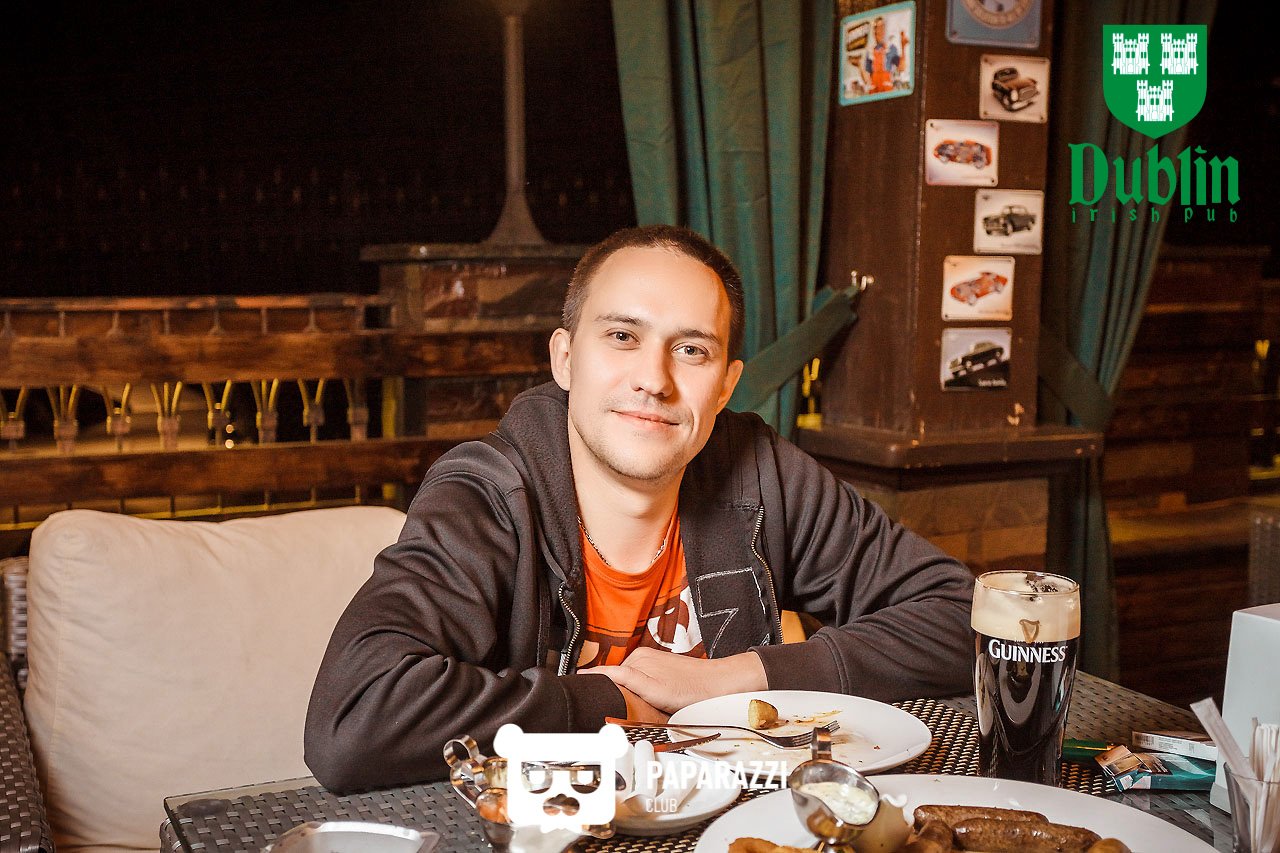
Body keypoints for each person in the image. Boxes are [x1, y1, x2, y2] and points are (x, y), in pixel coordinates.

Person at [304, 225, 974, 792]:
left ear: (725, 387)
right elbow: (354, 721)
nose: (654, 379)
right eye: (623, 336)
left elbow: (963, 617)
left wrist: (736, 679)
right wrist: (604, 700)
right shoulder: (487, 496)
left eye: (691, 349)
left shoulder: (759, 472)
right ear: (565, 359)